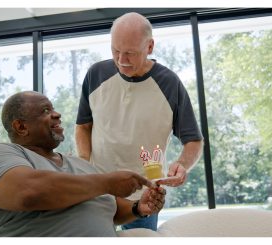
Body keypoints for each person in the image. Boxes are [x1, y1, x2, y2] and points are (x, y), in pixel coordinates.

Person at [0, 91, 166, 237]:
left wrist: (138, 207)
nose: (57, 114)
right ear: (21, 126)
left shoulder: (81, 166)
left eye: (53, 108)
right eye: (45, 110)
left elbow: (110, 208)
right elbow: (29, 192)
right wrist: (106, 183)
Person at [75, 12, 203, 231]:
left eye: (130, 53)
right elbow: (83, 127)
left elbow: (193, 140)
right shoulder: (96, 74)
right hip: (99, 192)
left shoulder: (169, 83)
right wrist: (85, 166)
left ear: (150, 47)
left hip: (144, 196)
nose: (122, 61)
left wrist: (182, 165)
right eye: (116, 51)